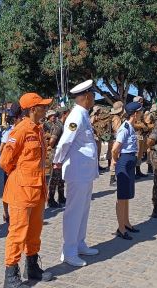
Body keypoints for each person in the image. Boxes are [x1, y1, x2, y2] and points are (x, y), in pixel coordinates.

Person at [0, 93, 53, 287]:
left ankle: (32, 267)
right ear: (32, 109)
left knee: (34, 230)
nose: (45, 109)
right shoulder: (20, 130)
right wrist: (20, 175)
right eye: (42, 106)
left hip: (37, 188)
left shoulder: (37, 129)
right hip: (22, 189)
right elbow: (5, 161)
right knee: (18, 232)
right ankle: (11, 274)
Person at [53, 80, 100, 267]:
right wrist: (57, 160)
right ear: (87, 96)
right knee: (74, 211)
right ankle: (69, 251)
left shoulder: (84, 115)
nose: (94, 99)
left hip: (85, 172)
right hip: (77, 172)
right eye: (93, 96)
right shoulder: (76, 116)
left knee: (84, 209)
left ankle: (80, 243)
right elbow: (65, 142)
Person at [112, 102, 143, 240]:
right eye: (140, 112)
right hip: (124, 161)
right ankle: (121, 228)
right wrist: (115, 160)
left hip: (130, 160)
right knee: (122, 197)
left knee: (127, 196)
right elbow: (115, 148)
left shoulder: (130, 126)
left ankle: (126, 223)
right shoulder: (124, 127)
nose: (141, 114)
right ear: (135, 114)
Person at [47, 107, 69, 208]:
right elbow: (51, 142)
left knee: (61, 178)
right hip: (56, 155)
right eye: (68, 113)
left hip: (61, 155)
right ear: (64, 114)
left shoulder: (64, 125)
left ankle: (61, 197)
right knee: (54, 178)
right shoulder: (58, 126)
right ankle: (50, 199)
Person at [108, 101, 124, 186]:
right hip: (116, 141)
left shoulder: (112, 117)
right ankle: (112, 179)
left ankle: (113, 177)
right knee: (115, 159)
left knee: (114, 159)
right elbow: (118, 131)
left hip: (112, 140)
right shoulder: (117, 118)